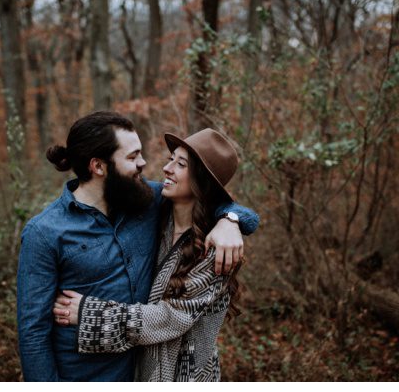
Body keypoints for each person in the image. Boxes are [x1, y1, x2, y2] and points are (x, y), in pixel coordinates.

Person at [16, 112, 259, 382]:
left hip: (146, 374)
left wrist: (232, 220)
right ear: (98, 166)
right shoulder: (45, 232)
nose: (145, 164)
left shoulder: (146, 201)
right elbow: (32, 334)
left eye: (140, 154)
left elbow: (210, 195)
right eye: (132, 157)